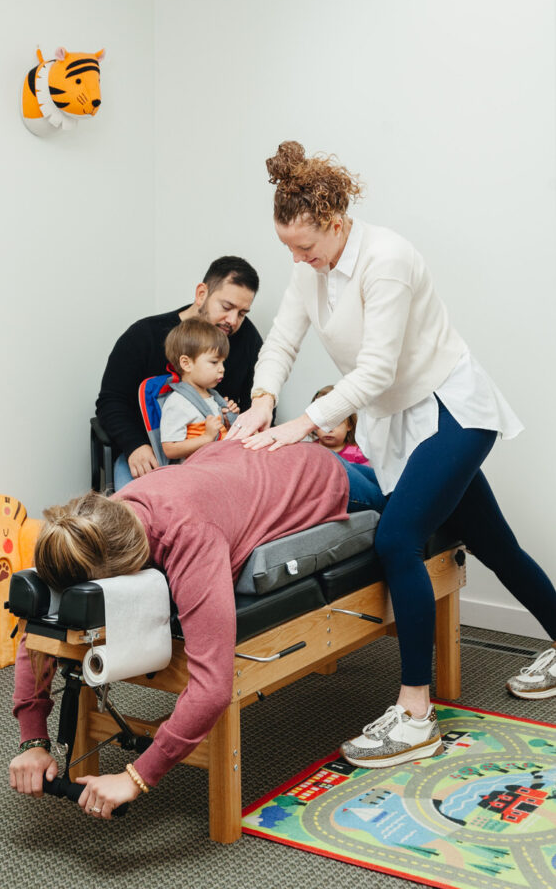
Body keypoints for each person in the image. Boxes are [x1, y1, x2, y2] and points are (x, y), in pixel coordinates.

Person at [227, 140, 556, 768]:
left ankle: (414, 715)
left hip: (451, 409)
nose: (298, 259)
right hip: (400, 419)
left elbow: (376, 370)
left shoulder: (389, 259)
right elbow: (282, 340)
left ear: (336, 221)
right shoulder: (309, 267)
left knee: (397, 537)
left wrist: (302, 423)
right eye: (288, 248)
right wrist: (263, 398)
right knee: (492, 540)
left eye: (306, 246)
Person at [10, 438, 370, 817]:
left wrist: (136, 776)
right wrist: (31, 738)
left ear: (130, 569)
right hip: (230, 463)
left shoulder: (190, 535)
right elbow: (41, 629)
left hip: (313, 473)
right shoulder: (91, 529)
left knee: (398, 492)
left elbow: (213, 688)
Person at [95, 256, 262, 489]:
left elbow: (258, 405)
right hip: (152, 455)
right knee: (137, 516)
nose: (232, 321)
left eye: (242, 313)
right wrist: (135, 446)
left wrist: (234, 419)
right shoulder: (145, 336)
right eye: (226, 307)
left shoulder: (248, 340)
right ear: (202, 294)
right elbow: (111, 401)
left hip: (219, 458)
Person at [160, 319, 240, 461]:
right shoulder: (178, 403)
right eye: (214, 362)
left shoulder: (212, 396)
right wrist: (207, 437)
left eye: (223, 362)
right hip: (198, 470)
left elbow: (219, 432)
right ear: (186, 364)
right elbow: (170, 449)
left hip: (221, 461)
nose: (222, 369)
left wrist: (227, 420)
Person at [310, 384, 368, 464]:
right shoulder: (310, 451)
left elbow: (366, 476)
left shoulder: (358, 454)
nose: (329, 429)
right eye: (323, 423)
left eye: (336, 422)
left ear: (349, 425)